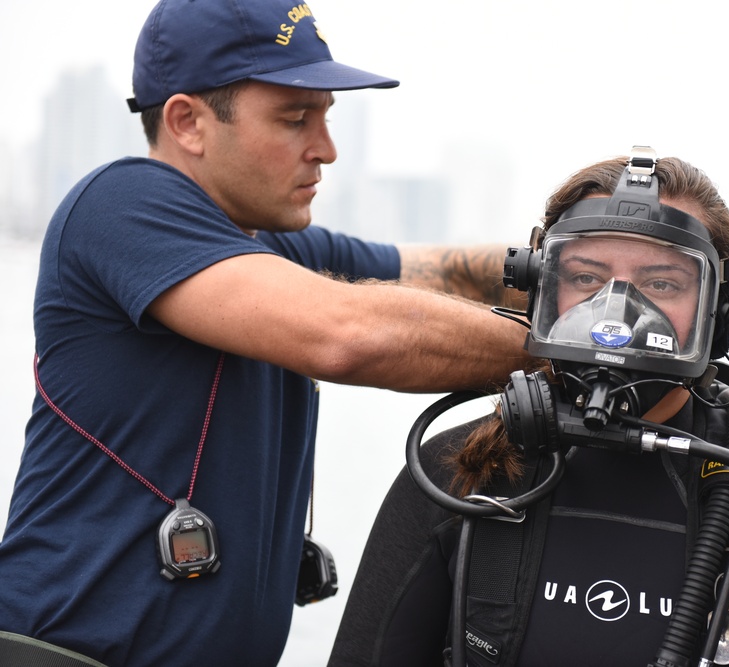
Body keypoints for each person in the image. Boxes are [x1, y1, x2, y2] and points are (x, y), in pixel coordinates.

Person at [0, 1, 532, 666]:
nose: (327, 148)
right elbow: (348, 333)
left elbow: (440, 274)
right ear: (188, 122)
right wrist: (579, 357)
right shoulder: (120, 204)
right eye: (294, 119)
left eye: (328, 117)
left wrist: (583, 267)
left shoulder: (280, 247)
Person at [329, 149, 729, 667]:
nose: (615, 317)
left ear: (719, 313)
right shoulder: (454, 475)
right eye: (585, 277)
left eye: (660, 284)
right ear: (543, 291)